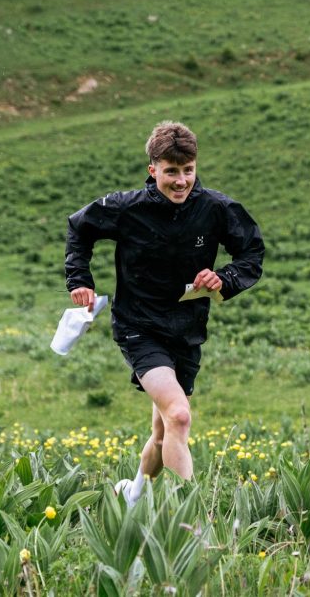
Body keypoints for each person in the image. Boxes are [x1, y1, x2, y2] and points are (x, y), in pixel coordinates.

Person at [64, 121, 264, 504]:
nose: (181, 181)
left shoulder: (216, 209)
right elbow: (79, 228)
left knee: (163, 430)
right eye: (171, 171)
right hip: (139, 327)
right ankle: (190, 520)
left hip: (187, 330)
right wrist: (79, 280)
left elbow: (251, 253)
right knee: (180, 417)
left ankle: (133, 494)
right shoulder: (126, 208)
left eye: (188, 170)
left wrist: (224, 278)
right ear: (152, 169)